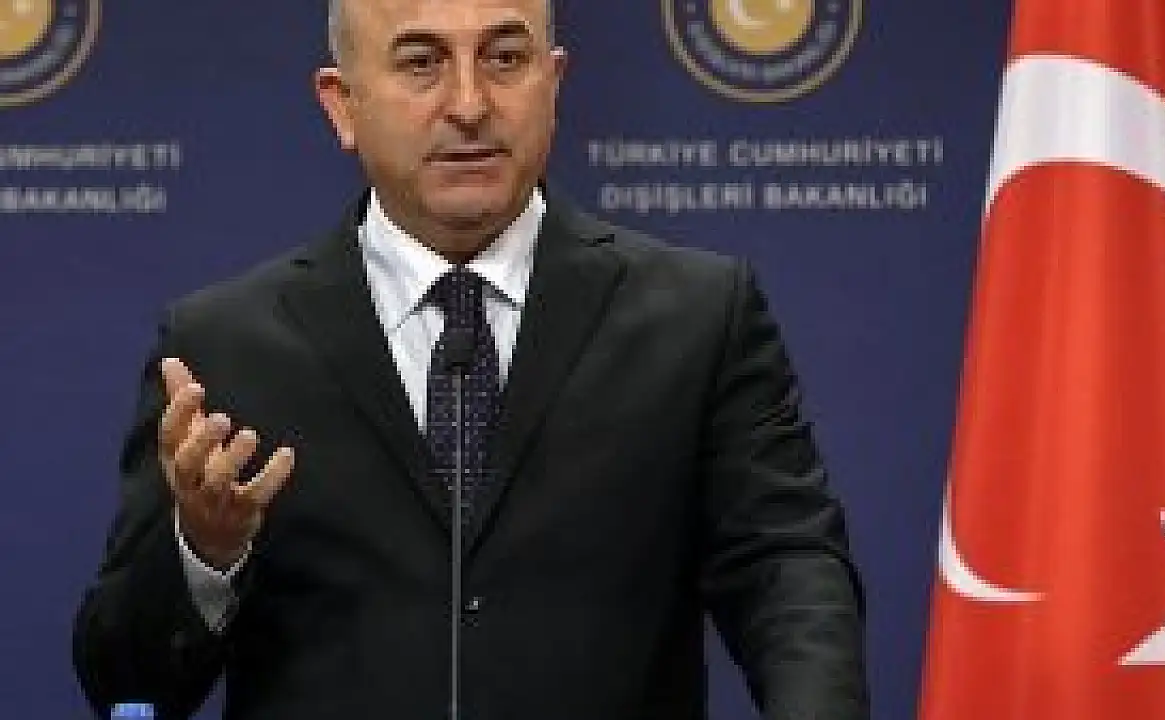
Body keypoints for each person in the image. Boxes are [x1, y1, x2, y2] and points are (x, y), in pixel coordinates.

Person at [72, 0, 870, 718]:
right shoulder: (223, 346)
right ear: (342, 105)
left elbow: (786, 570)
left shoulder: (697, 316)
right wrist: (205, 552)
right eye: (422, 62)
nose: (469, 104)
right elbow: (124, 678)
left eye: (505, 58)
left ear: (554, 83)